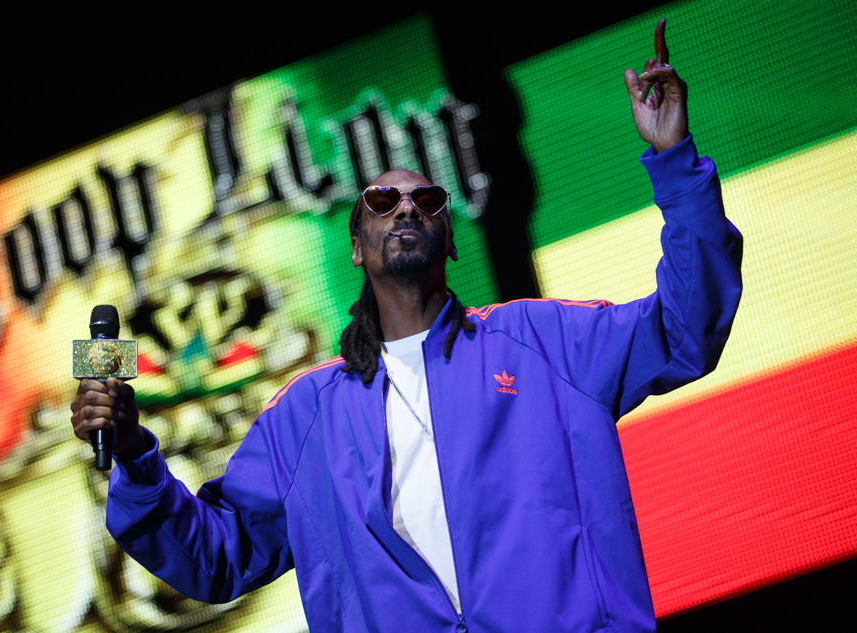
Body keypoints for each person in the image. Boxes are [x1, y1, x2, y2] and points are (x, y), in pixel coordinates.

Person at [71, 19, 742, 632]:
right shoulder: (305, 416)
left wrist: (674, 160)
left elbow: (686, 329)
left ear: (450, 239)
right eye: (382, 199)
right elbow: (216, 558)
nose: (407, 208)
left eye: (427, 198)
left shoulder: (545, 343)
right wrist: (132, 452)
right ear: (356, 247)